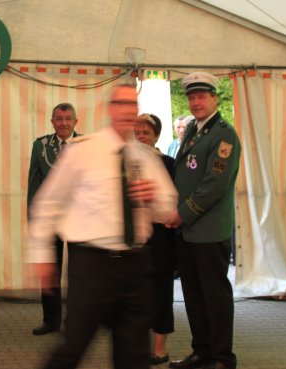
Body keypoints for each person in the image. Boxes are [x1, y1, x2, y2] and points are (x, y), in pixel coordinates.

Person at [29, 84, 178, 369]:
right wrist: (41, 255)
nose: (127, 111)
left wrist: (153, 199)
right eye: (121, 104)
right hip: (92, 266)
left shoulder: (146, 157)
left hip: (136, 266)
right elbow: (48, 203)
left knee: (134, 355)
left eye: (132, 105)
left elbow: (168, 211)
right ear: (110, 109)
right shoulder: (83, 150)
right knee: (73, 347)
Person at [168, 73, 241, 369]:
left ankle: (223, 357)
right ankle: (202, 352)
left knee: (215, 298)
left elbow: (214, 185)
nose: (196, 102)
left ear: (214, 98)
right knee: (194, 296)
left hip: (208, 231)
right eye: (191, 97)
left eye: (201, 96)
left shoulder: (224, 134)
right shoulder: (193, 130)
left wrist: (181, 213)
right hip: (187, 231)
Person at [28, 103, 81, 336]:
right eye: (59, 118)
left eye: (68, 118)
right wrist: (33, 218)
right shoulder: (40, 146)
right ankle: (50, 321)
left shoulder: (86, 146)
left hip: (79, 218)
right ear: (52, 121)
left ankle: (76, 322)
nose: (64, 123)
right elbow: (34, 183)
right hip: (50, 218)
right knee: (50, 271)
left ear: (75, 121)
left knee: (78, 272)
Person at [134, 114, 176, 365]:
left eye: (146, 133)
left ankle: (160, 349)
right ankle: (139, 346)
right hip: (136, 239)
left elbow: (174, 200)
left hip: (161, 238)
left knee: (161, 295)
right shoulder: (127, 162)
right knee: (136, 296)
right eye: (137, 132)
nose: (141, 137)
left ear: (156, 136)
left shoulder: (168, 164)